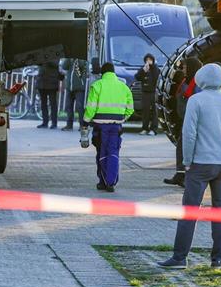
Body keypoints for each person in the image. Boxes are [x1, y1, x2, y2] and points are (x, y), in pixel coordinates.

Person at [158, 63, 221, 270]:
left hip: (200, 164)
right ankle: (218, 259)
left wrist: (186, 162)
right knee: (220, 210)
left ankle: (179, 257)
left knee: (190, 210)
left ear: (201, 79)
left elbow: (189, 134)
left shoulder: (196, 101)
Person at [82, 62, 134, 191]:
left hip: (100, 127)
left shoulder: (97, 86)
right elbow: (130, 109)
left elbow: (91, 108)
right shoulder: (124, 87)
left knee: (102, 152)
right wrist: (122, 118)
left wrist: (85, 122)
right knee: (113, 153)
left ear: (102, 73)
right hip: (116, 127)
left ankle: (103, 181)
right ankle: (111, 181)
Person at [163, 56, 202, 187]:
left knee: (189, 149)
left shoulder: (198, 85)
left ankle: (187, 176)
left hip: (193, 122)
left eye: (185, 67)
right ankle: (180, 174)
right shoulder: (186, 81)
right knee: (181, 147)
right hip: (184, 120)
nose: (183, 69)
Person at [60, 58, 88, 131]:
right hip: (70, 87)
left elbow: (83, 66)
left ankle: (82, 125)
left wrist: (78, 58)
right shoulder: (70, 59)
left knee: (80, 107)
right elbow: (64, 66)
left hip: (79, 87)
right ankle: (69, 125)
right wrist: (68, 58)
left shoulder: (83, 59)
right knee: (69, 106)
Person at [134, 53, 159, 135]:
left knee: (155, 112)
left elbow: (157, 78)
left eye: (150, 60)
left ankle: (153, 129)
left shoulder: (155, 69)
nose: (148, 61)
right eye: (147, 60)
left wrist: (153, 67)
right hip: (145, 93)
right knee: (145, 111)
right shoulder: (143, 69)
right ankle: (145, 128)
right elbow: (137, 77)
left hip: (154, 93)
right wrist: (143, 71)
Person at [36, 61, 61, 129]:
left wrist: (47, 58)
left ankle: (54, 123)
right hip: (42, 82)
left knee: (53, 104)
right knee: (43, 104)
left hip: (52, 83)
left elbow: (56, 64)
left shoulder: (54, 53)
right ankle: (45, 122)